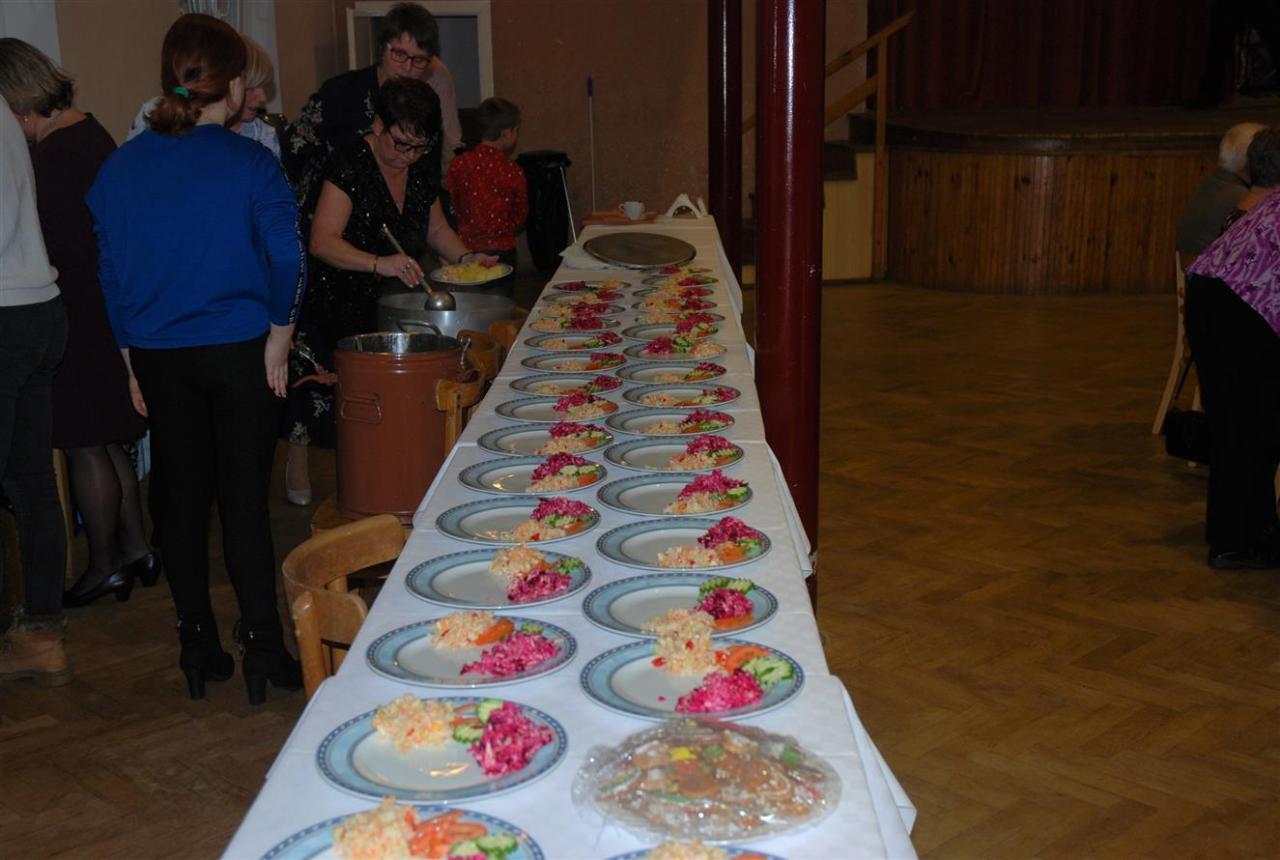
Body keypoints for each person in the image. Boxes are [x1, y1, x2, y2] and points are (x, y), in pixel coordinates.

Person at [86, 13, 305, 703]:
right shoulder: (251, 163)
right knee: (244, 505)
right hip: (241, 353)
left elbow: (110, 273)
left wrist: (129, 358)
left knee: (180, 506)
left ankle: (197, 645)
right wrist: (280, 337)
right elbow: (288, 257)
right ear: (234, 86)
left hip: (159, 355)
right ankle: (263, 646)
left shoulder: (119, 168)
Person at [282, 77, 493, 504]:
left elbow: (436, 230)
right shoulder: (349, 164)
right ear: (378, 125)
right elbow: (322, 241)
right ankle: (303, 462)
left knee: (385, 405)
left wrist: (468, 258)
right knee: (324, 402)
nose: (408, 156)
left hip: (387, 303)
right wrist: (379, 262)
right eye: (400, 144)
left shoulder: (419, 166)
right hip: (334, 297)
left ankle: (385, 479)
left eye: (419, 147)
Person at [0, 40, 156, 609]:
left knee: (84, 444)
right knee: (107, 439)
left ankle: (106, 564)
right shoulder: (91, 133)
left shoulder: (56, 154)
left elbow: (64, 247)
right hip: (105, 309)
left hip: (78, 310)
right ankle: (137, 549)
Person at [1184, 127, 1280, 571]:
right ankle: (1239, 541)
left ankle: (1241, 535)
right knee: (1254, 426)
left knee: (1238, 427)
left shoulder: (1264, 205)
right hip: (1237, 312)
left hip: (1212, 302)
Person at [0, 103, 70, 687]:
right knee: (31, 482)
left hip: (7, 315)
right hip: (38, 309)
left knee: (28, 483)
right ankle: (41, 637)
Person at [281, 1, 462, 209]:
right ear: (383, 48)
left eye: (419, 60)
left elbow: (430, 174)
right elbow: (294, 147)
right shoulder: (341, 91)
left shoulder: (427, 106)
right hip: (336, 208)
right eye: (399, 54)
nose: (408, 67)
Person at [126, 34, 280, 160]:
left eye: (264, 86)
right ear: (230, 85)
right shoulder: (154, 113)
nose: (263, 97)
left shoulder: (263, 135)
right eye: (252, 88)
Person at [445, 97, 527, 296]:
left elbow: (450, 203)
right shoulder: (512, 170)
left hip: (465, 250)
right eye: (516, 130)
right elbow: (520, 213)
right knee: (500, 306)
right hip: (502, 252)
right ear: (506, 134)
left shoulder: (459, 164)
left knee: (468, 304)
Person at [1177, 122, 1265, 267]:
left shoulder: (1210, 185)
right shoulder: (1243, 200)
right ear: (1252, 160)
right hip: (1218, 277)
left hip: (1200, 277)